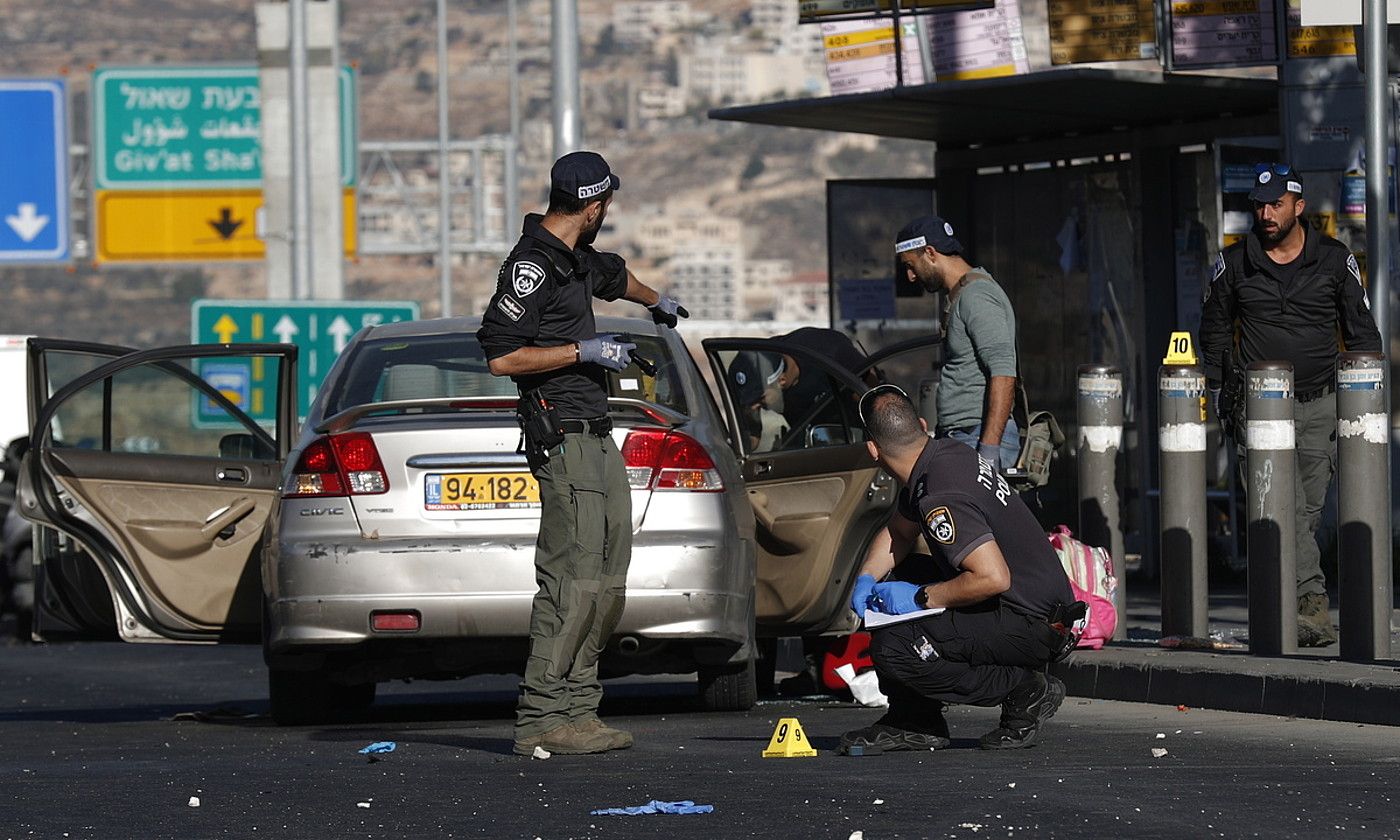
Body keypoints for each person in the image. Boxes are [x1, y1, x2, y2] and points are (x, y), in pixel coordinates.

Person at [477, 150, 687, 756]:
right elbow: (501, 355)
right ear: (594, 207)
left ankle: (579, 711)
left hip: (596, 432)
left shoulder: (574, 259)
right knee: (572, 580)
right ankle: (541, 718)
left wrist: (656, 301)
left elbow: (613, 276)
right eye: (607, 205)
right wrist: (582, 353)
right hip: (562, 434)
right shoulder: (531, 268)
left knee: (608, 576)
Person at [1199, 162, 1381, 648]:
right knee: (1278, 508)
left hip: (1321, 403)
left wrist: (1367, 400)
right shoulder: (1234, 264)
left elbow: (1362, 331)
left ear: (1298, 206)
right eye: (1258, 204)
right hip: (1260, 409)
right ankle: (1311, 608)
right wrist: (1219, 394)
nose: (1266, 213)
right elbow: (1215, 329)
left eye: (1276, 203)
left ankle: (1281, 606)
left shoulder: (1334, 259)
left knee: (1304, 513)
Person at [839, 384, 1077, 753]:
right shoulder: (944, 456)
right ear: (921, 424)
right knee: (903, 579)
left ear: (872, 449)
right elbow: (898, 534)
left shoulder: (940, 493)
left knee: (894, 646)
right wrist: (866, 580)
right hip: (1037, 607)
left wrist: (920, 598)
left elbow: (992, 577)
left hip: (1031, 622)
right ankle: (915, 722)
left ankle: (1023, 689)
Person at [895, 215, 1020, 471]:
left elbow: (1004, 371)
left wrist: (988, 450)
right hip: (963, 437)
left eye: (911, 265)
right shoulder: (961, 295)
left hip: (976, 437)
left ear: (930, 253)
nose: (910, 276)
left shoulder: (977, 296)